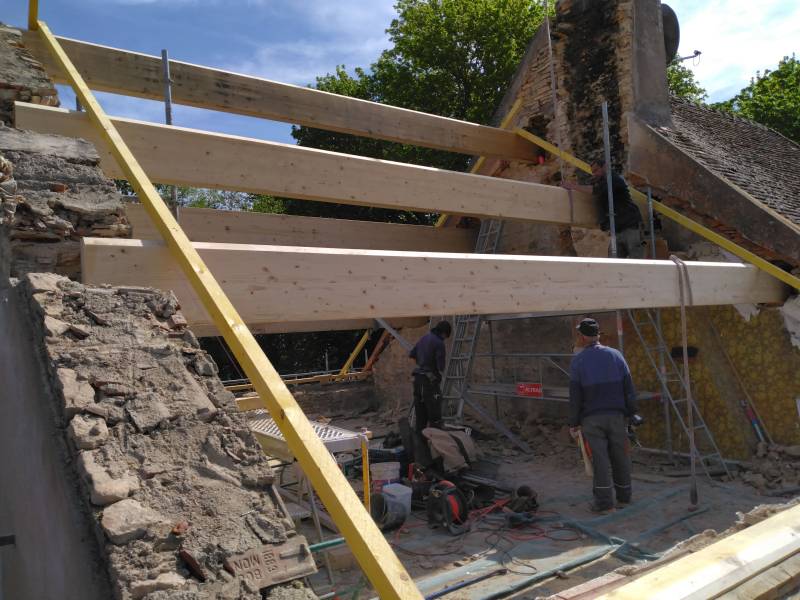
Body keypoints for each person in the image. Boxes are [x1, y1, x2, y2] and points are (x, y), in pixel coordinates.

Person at [569, 318, 638, 512]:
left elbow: (575, 396)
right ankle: (624, 497)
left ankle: (605, 504)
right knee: (620, 456)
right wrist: (632, 413)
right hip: (617, 416)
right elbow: (629, 388)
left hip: (592, 420)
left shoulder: (578, 362)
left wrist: (573, 422)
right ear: (598, 334)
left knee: (599, 460)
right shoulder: (616, 355)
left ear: (582, 337)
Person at [564, 162, 645, 258]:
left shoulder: (614, 179)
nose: (594, 174)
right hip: (617, 230)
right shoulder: (603, 182)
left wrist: (573, 186)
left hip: (631, 226)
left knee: (636, 263)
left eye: (596, 170)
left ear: (605, 167)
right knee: (613, 262)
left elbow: (596, 190)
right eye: (593, 172)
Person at [409, 320, 452, 432]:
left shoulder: (424, 338)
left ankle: (420, 442)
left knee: (420, 415)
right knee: (435, 415)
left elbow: (412, 355)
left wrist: (422, 364)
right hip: (429, 382)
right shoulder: (439, 343)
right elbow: (440, 366)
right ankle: (436, 443)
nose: (445, 338)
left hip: (418, 379)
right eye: (446, 336)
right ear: (444, 333)